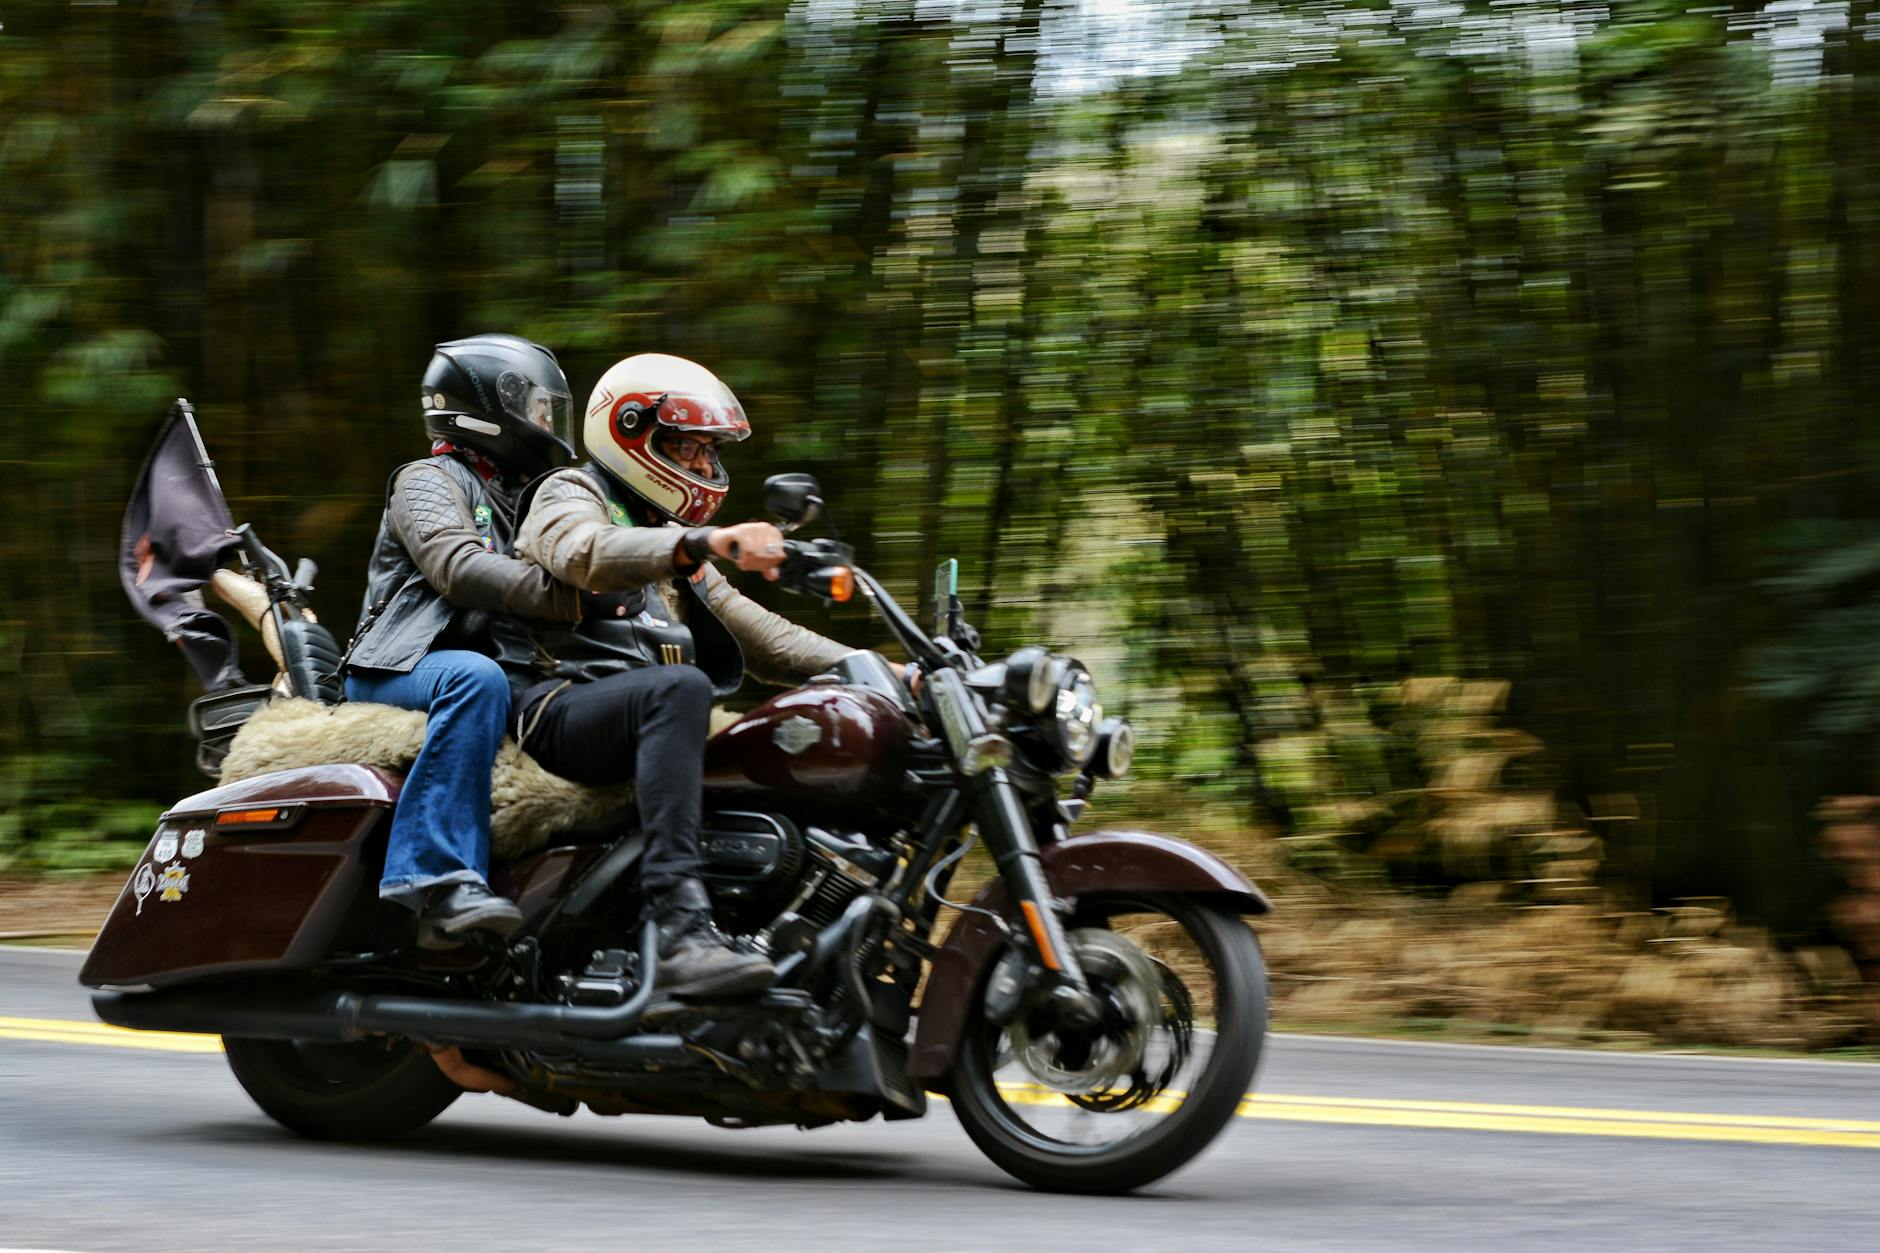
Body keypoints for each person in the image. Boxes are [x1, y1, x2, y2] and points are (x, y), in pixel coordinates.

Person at [510, 353, 856, 999]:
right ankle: (677, 927)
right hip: (555, 705)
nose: (701, 465)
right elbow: (582, 552)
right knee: (684, 687)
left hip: (630, 712)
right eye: (686, 446)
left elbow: (765, 639)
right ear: (630, 432)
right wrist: (702, 543)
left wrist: (893, 671)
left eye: (707, 450)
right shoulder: (571, 492)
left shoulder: (670, 534)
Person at [342, 334, 582, 948]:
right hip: (398, 664)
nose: (545, 422)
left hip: (472, 664)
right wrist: (564, 595)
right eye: (536, 407)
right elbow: (458, 568)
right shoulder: (426, 480)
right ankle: (436, 879)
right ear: (491, 405)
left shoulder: (521, 492)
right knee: (475, 679)